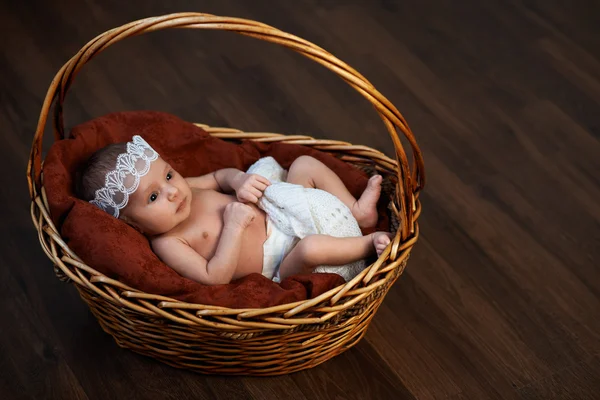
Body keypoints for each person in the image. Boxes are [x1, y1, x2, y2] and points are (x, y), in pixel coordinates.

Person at [78, 135, 392, 285]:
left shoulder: (187, 186)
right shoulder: (168, 243)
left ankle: (357, 212)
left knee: (303, 164)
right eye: (153, 197)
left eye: (169, 174)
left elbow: (218, 177)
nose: (174, 191)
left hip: (281, 213)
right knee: (311, 249)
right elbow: (213, 277)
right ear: (134, 225)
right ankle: (367, 243)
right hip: (283, 261)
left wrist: (239, 180)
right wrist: (232, 227)